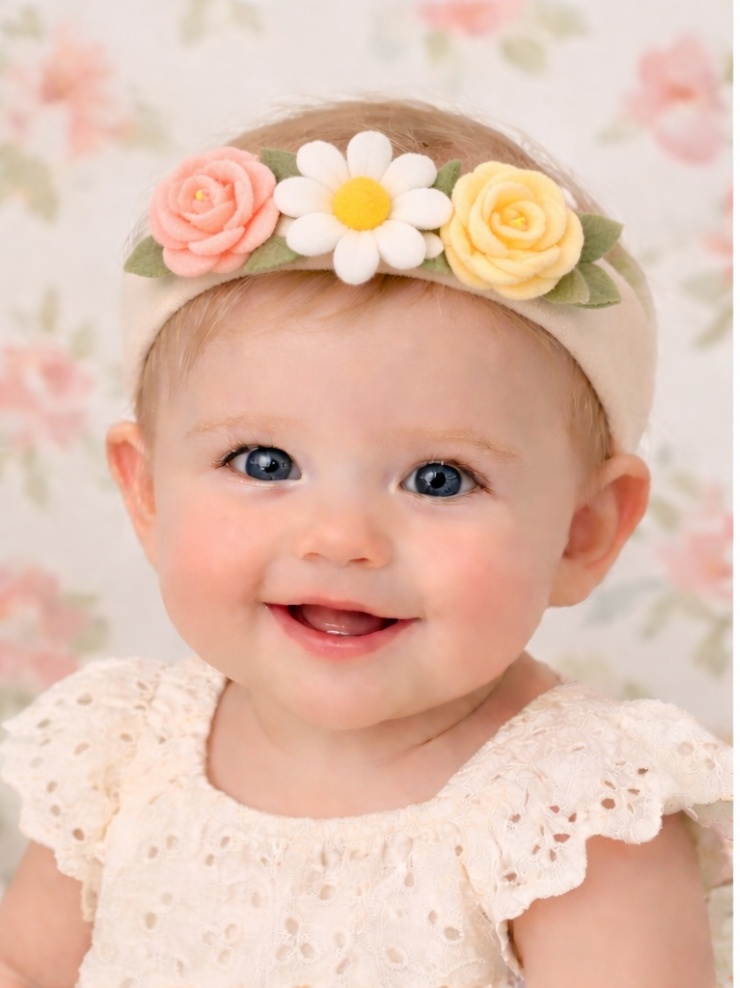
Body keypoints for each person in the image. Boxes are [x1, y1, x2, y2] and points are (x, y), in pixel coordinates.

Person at [0, 98, 731, 988]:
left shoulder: (572, 817)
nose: (341, 538)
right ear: (148, 492)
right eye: (263, 461)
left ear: (584, 532)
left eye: (440, 479)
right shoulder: (121, 757)